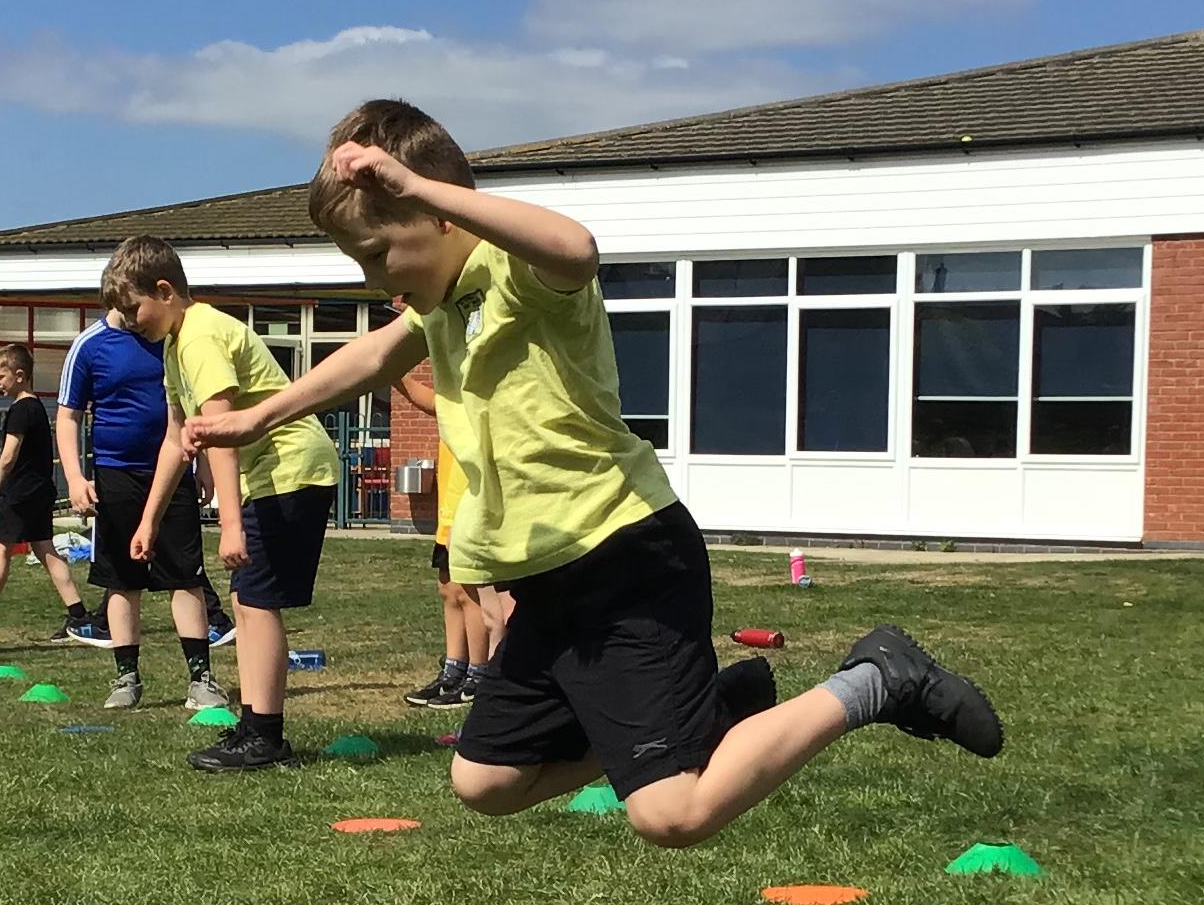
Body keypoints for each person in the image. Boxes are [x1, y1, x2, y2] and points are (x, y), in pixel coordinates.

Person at [193, 99, 1001, 843]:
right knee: (485, 781)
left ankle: (876, 680)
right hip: (550, 586)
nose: (373, 278)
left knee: (672, 815)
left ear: (439, 214)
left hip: (624, 559)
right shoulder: (442, 305)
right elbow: (371, 356)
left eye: (376, 253)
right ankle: (707, 719)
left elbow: (576, 248)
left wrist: (418, 185)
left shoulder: (521, 274)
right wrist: (261, 416)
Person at [112, 239, 343, 772]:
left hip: (290, 468)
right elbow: (178, 438)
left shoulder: (200, 336)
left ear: (164, 291)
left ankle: (265, 735)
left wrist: (231, 524)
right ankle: (256, 726)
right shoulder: (175, 344)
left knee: (256, 602)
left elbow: (220, 432)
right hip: (270, 474)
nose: (128, 321)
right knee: (245, 601)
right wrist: (148, 520)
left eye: (133, 308)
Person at [58, 305, 225, 713]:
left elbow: (192, 406)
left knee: (185, 575)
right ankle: (126, 677)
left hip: (175, 470)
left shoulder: (170, 339)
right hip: (116, 475)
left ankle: (201, 678)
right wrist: (75, 478)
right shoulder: (89, 345)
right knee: (122, 578)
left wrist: (203, 463)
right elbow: (68, 416)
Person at [0, 342, 91, 644]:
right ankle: (78, 615)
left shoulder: (21, 409)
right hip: (38, 491)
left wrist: (0, 484)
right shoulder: (36, 407)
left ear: (20, 375)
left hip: (21, 494)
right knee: (45, 550)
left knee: (0, 551)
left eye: (1, 376)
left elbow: (8, 455)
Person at [395, 361, 491, 708]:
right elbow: (421, 396)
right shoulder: (453, 403)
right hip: (448, 513)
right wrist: (391, 370)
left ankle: (480, 672)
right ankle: (454, 668)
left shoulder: (479, 404)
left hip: (471, 509)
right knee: (448, 590)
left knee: (471, 594)